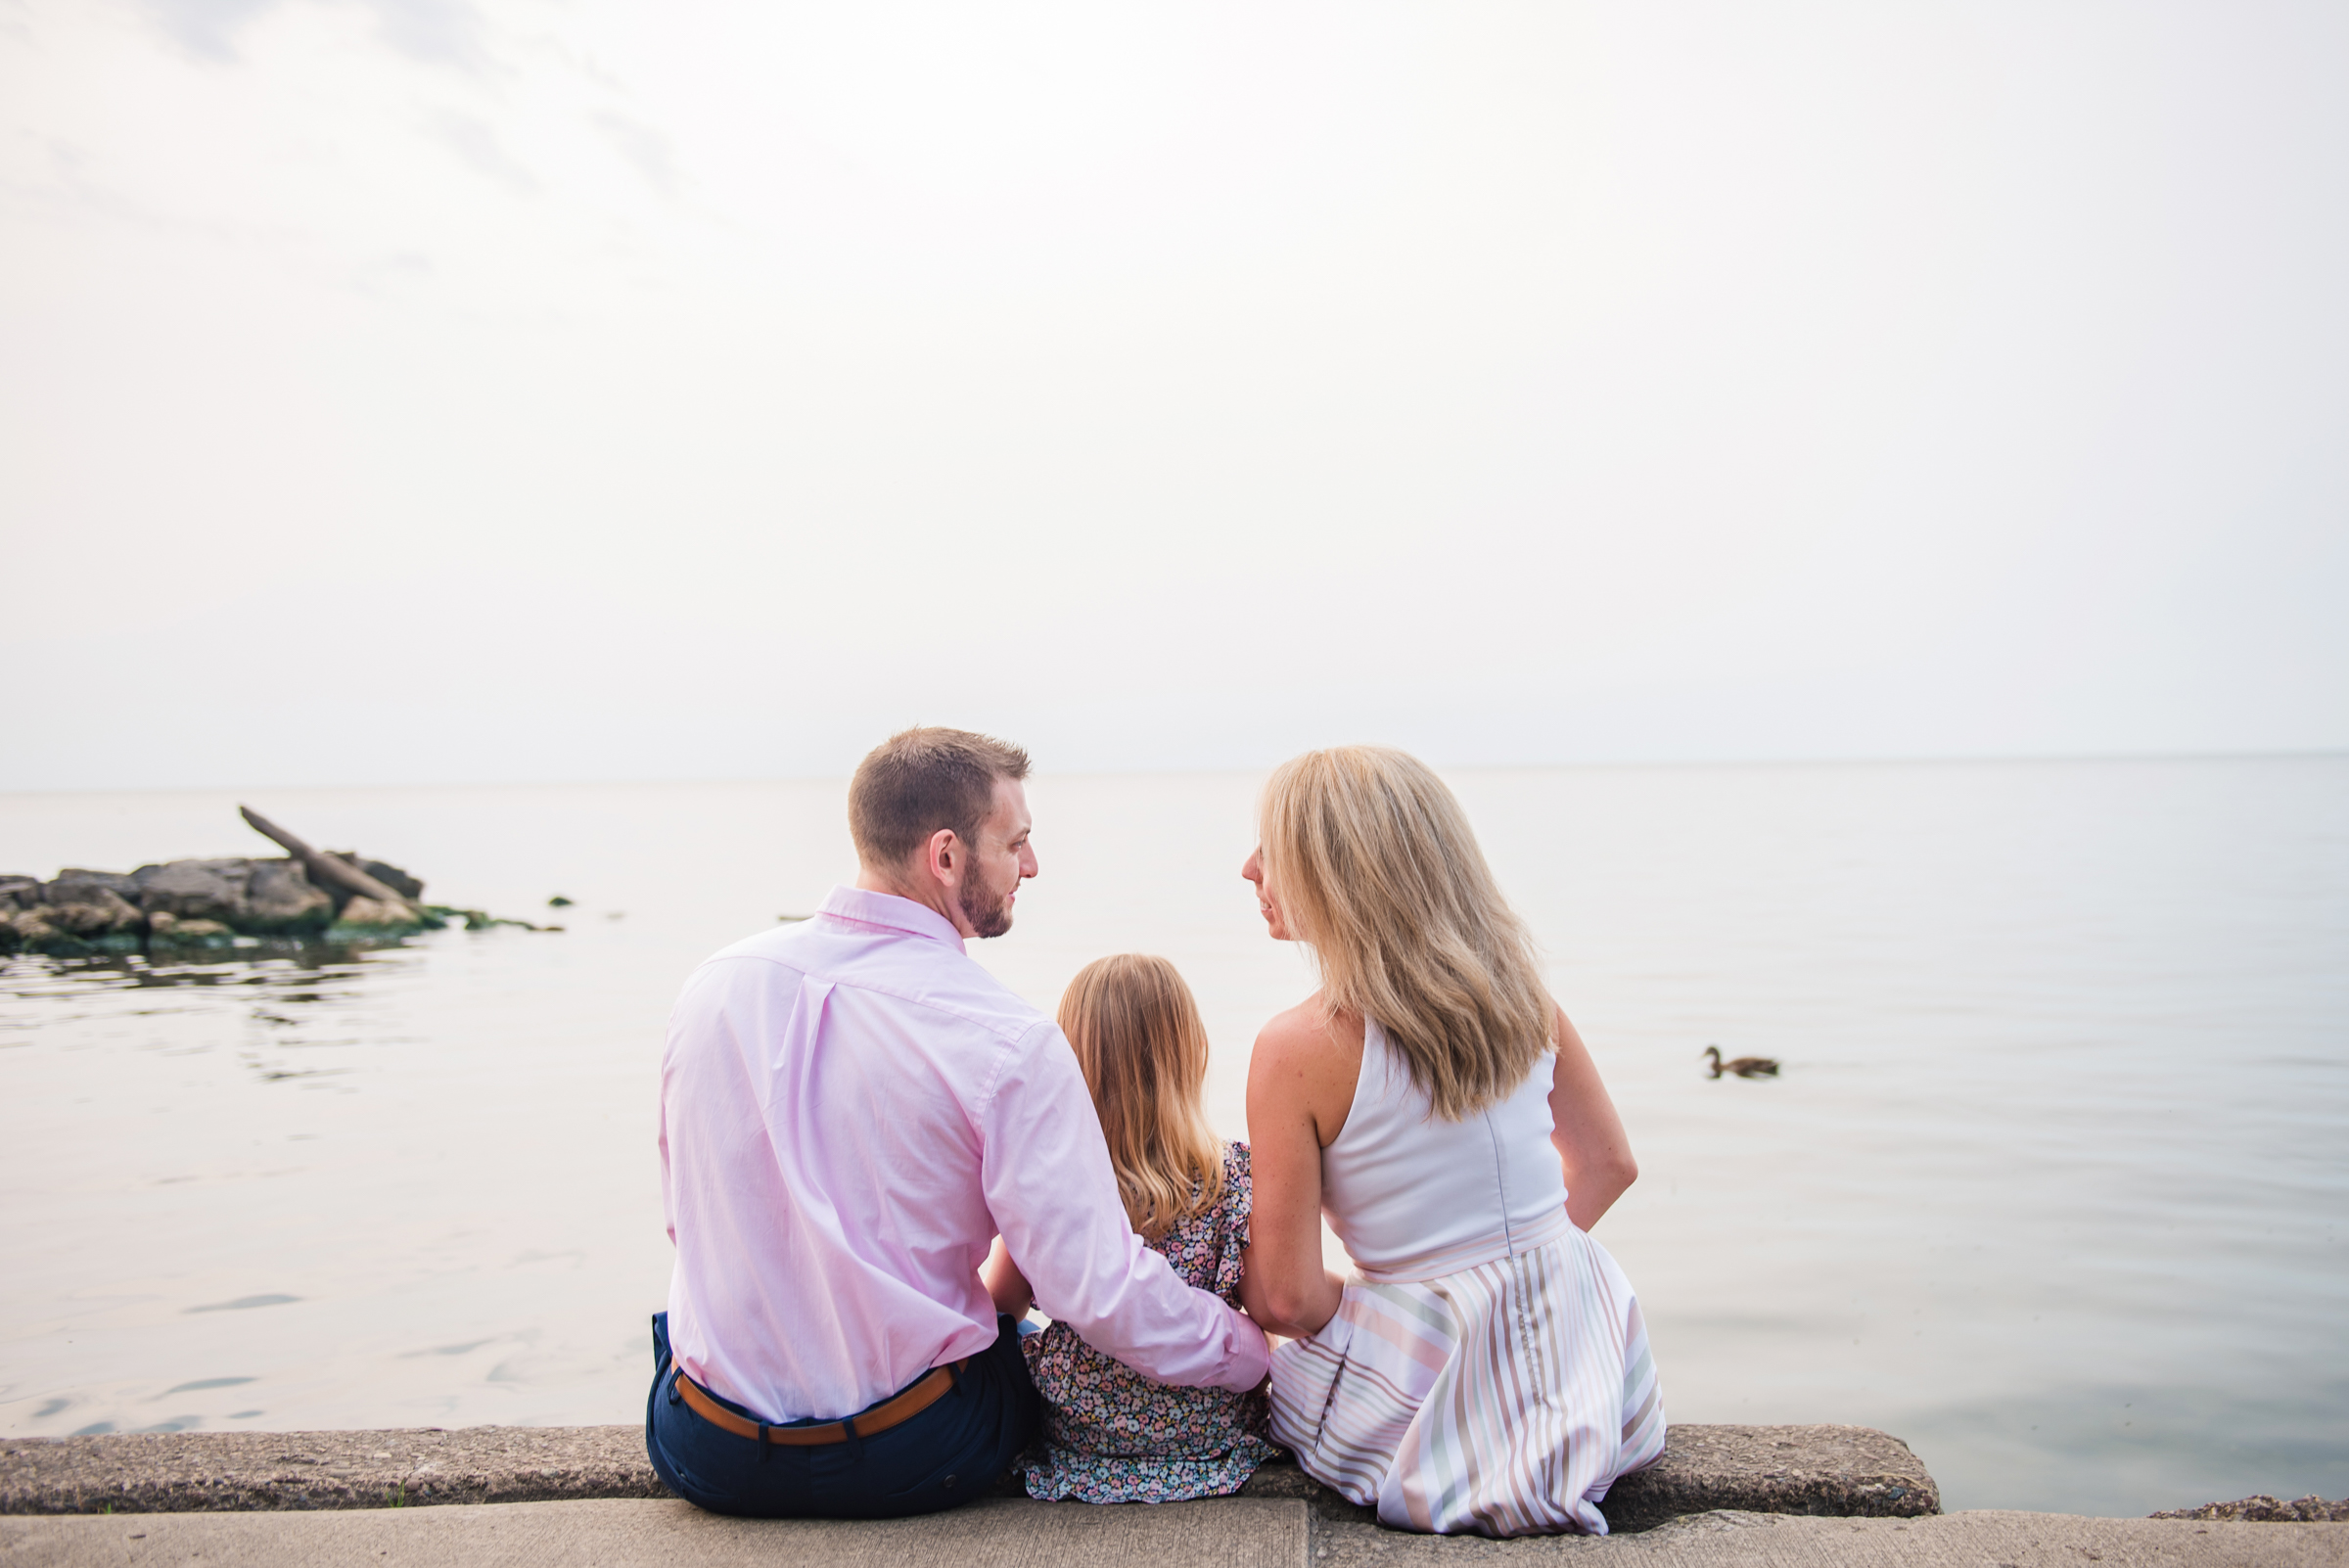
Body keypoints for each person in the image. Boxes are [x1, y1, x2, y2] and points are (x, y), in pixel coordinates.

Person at [647, 728, 1269, 1519]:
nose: (1031, 867)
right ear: (946, 857)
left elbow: (685, 1221)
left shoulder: (712, 988)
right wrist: (1249, 1354)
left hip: (707, 1452)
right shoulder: (1005, 1040)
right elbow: (1096, 1291)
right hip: (914, 1452)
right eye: (1017, 844)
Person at [1236, 746, 1666, 1537]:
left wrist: (1411, 1311)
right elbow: (1610, 1166)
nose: (1248, 868)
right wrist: (1515, 1286)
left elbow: (1287, 1300)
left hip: (1430, 1387)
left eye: (1273, 848)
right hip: (1592, 1368)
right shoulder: (1524, 998)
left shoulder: (1295, 1049)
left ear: (1339, 872)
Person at [982, 953, 1281, 1502]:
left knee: (1021, 1337)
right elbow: (1267, 1308)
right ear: (1190, 1056)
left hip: (1079, 1438)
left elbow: (1001, 1306)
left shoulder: (1056, 1187)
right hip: (1203, 1440)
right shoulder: (1233, 1175)